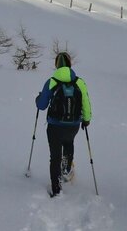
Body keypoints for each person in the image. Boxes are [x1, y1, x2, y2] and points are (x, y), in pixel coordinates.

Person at [35, 52, 92, 197]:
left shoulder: (51, 81)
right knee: (69, 142)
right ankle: (66, 169)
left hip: (55, 125)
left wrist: (38, 98)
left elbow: (41, 105)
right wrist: (86, 119)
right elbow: (85, 102)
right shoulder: (79, 82)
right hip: (73, 124)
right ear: (69, 64)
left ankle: (56, 188)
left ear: (56, 65)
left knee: (55, 156)